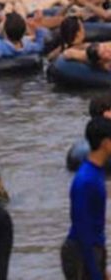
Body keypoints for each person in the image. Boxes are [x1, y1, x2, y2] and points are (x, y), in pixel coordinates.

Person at [62, 117, 111, 280]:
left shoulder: (97, 171)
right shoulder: (85, 180)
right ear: (106, 143)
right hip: (81, 252)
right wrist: (95, 271)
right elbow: (82, 226)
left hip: (94, 248)